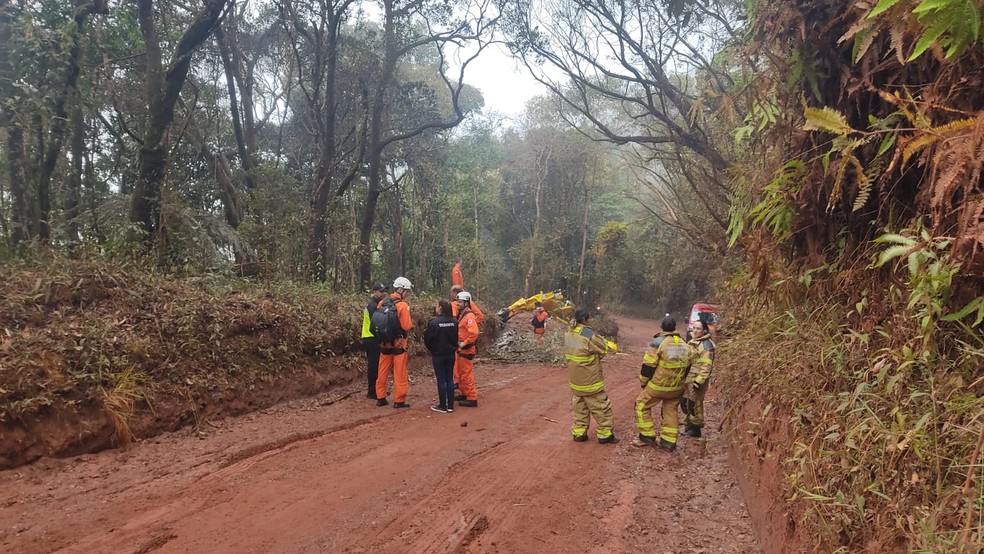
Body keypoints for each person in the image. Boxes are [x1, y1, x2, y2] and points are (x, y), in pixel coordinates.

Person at [632, 314, 691, 451]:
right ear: (675, 328)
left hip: (658, 386)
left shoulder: (658, 342)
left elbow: (648, 366)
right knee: (671, 410)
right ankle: (668, 441)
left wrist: (643, 382)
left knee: (641, 404)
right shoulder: (684, 344)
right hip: (676, 388)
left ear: (662, 327)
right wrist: (681, 383)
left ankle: (646, 437)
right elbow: (688, 366)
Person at [563, 308, 618, 444]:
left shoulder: (569, 333)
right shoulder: (588, 334)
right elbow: (603, 350)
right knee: (600, 407)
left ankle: (579, 433)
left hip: (575, 380)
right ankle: (605, 435)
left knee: (580, 408)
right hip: (590, 380)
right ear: (585, 319)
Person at [376, 277, 413, 408]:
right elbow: (407, 326)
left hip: (384, 343)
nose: (407, 294)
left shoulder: (382, 303)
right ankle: (399, 400)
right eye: (407, 291)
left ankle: (380, 397)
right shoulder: (402, 305)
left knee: (382, 371)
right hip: (399, 344)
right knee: (400, 372)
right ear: (401, 289)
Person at [682, 318, 715, 437]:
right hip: (687, 378)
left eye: (698, 328)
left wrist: (699, 381)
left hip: (697, 380)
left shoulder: (707, 345)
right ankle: (688, 426)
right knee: (685, 403)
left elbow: (707, 365)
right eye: (694, 328)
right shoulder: (692, 342)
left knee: (694, 404)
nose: (695, 331)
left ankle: (696, 429)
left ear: (704, 330)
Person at [424, 299, 458, 413]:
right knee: (450, 379)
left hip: (438, 355)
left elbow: (428, 339)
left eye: (437, 306)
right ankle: (451, 406)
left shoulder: (434, 323)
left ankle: (442, 405)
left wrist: (432, 349)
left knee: (441, 379)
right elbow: (456, 337)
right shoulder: (454, 321)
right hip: (451, 354)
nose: (435, 308)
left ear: (440, 308)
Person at [360, 282, 388, 400]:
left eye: (384, 291)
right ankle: (372, 391)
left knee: (377, 365)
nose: (383, 293)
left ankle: (377, 390)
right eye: (381, 291)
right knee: (373, 365)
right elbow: (376, 323)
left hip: (374, 337)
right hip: (370, 338)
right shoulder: (372, 305)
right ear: (374, 292)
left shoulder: (378, 304)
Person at [453, 291, 480, 407]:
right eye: (457, 302)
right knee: (461, 373)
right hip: (461, 350)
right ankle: (464, 393)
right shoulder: (463, 315)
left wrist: (464, 343)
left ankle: (472, 397)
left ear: (466, 303)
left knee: (466, 373)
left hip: (466, 349)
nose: (457, 304)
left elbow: (474, 333)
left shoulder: (469, 316)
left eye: (460, 302)